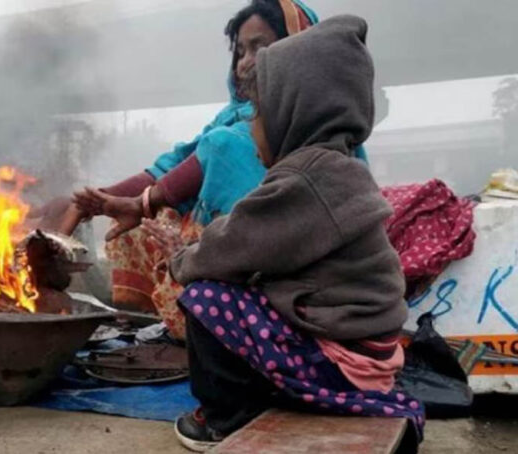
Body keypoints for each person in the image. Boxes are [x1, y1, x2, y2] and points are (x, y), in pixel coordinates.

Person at [140, 15, 424, 452]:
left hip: (342, 361)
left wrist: (181, 259)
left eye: (258, 116)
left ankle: (226, 418)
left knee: (207, 297)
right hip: (369, 352)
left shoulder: (304, 178)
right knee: (246, 292)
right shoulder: (340, 168)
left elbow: (233, 246)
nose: (251, 131)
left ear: (294, 113)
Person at [48, 0, 335, 338]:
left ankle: (225, 324)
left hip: (288, 270)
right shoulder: (233, 115)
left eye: (260, 47)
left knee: (176, 208)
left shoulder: (314, 120)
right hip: (234, 255)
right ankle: (187, 319)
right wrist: (92, 202)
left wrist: (142, 205)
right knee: (141, 226)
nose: (245, 62)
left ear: (297, 51)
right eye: (240, 52)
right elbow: (173, 167)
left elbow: (215, 152)